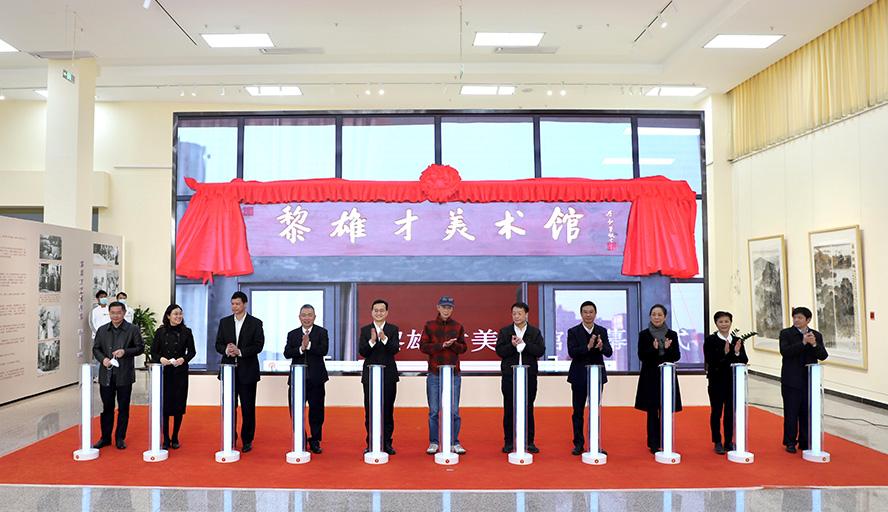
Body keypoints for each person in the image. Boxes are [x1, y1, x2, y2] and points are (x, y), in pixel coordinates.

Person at [214, 291, 265, 453]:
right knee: (229, 407)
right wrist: (227, 350)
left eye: (237, 304)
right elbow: (218, 344)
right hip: (228, 371)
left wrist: (240, 351)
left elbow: (258, 346)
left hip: (248, 372)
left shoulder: (255, 323)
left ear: (245, 304)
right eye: (232, 304)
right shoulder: (224, 322)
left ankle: (247, 440)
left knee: (248, 408)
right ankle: (230, 437)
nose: (234, 307)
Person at [419, 296, 468, 455]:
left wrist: (453, 345)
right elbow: (423, 347)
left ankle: (454, 442)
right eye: (444, 307)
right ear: (438, 308)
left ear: (452, 309)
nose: (446, 310)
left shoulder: (458, 326)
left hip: (453, 374)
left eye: (449, 307)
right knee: (434, 410)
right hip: (434, 373)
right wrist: (441, 345)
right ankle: (434, 442)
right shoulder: (429, 326)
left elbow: (464, 348)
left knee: (454, 410)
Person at [92, 301, 144, 449]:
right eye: (112, 313)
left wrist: (125, 352)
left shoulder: (132, 329)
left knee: (123, 408)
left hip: (124, 374)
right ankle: (105, 438)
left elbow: (140, 348)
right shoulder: (102, 330)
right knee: (107, 407)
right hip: (106, 375)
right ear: (109, 313)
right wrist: (103, 359)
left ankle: (120, 438)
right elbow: (96, 349)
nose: (115, 316)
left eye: (118, 313)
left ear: (124, 313)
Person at [496, 301, 545, 454]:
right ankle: (509, 442)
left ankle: (529, 442)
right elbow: (500, 351)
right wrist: (512, 345)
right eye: (514, 314)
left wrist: (525, 344)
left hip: (529, 376)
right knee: (509, 409)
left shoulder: (534, 332)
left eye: (519, 313)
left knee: (528, 408)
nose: (516, 316)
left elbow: (540, 351)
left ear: (526, 314)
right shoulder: (505, 332)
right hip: (510, 377)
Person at [779, 306, 828, 453]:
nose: (796, 320)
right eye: (795, 317)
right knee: (791, 412)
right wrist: (802, 343)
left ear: (808, 320)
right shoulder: (786, 333)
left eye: (800, 318)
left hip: (809, 380)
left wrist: (814, 344)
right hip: (791, 380)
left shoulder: (816, 335)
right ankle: (790, 442)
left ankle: (805, 441)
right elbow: (785, 352)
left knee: (807, 412)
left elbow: (823, 356)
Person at [634, 304, 682, 454]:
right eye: (654, 314)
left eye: (659, 314)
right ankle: (654, 443)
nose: (656, 317)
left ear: (665, 317)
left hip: (667, 376)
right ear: (650, 316)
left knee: (666, 409)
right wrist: (653, 349)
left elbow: (676, 356)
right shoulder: (644, 334)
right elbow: (642, 356)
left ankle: (665, 440)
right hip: (650, 377)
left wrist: (667, 349)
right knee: (652, 411)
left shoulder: (672, 334)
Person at [567, 300, 613, 456]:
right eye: (585, 312)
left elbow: (609, 352)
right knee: (578, 411)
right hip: (579, 376)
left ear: (595, 314)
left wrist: (601, 346)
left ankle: (595, 444)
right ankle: (578, 444)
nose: (588, 315)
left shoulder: (602, 331)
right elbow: (572, 352)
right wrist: (587, 347)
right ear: (581, 314)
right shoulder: (573, 331)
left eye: (591, 312)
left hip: (597, 377)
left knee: (595, 411)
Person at [283, 304, 329, 454]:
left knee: (317, 411)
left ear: (314, 317)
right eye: (304, 315)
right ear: (299, 317)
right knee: (295, 411)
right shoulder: (292, 334)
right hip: (297, 380)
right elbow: (287, 353)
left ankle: (315, 440)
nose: (307, 318)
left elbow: (323, 350)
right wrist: (301, 348)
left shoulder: (322, 332)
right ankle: (300, 438)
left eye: (310, 315)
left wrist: (308, 345)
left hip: (316, 379)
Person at [151, 304, 196, 450]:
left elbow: (192, 352)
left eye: (180, 314)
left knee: (178, 406)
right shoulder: (160, 332)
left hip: (180, 372)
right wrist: (161, 359)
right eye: (175, 314)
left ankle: (175, 436)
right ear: (168, 316)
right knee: (164, 406)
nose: (178, 316)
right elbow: (153, 352)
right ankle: (166, 438)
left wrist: (184, 359)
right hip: (164, 373)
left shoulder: (187, 332)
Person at [703, 311, 748, 454]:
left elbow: (744, 359)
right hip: (716, 382)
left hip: (732, 382)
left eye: (726, 321)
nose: (724, 324)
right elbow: (711, 360)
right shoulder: (710, 340)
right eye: (721, 322)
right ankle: (717, 441)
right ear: (716, 323)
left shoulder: (737, 340)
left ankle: (728, 441)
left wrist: (736, 352)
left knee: (730, 413)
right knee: (716, 412)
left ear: (730, 322)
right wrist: (725, 353)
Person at [358, 299, 400, 455]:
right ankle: (371, 443)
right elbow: (362, 352)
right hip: (370, 376)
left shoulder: (393, 329)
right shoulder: (365, 330)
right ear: (371, 312)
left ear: (387, 312)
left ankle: (387, 443)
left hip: (388, 376)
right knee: (370, 410)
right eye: (376, 310)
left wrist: (384, 339)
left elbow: (395, 349)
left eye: (382, 310)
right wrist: (372, 341)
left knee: (387, 411)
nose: (379, 313)